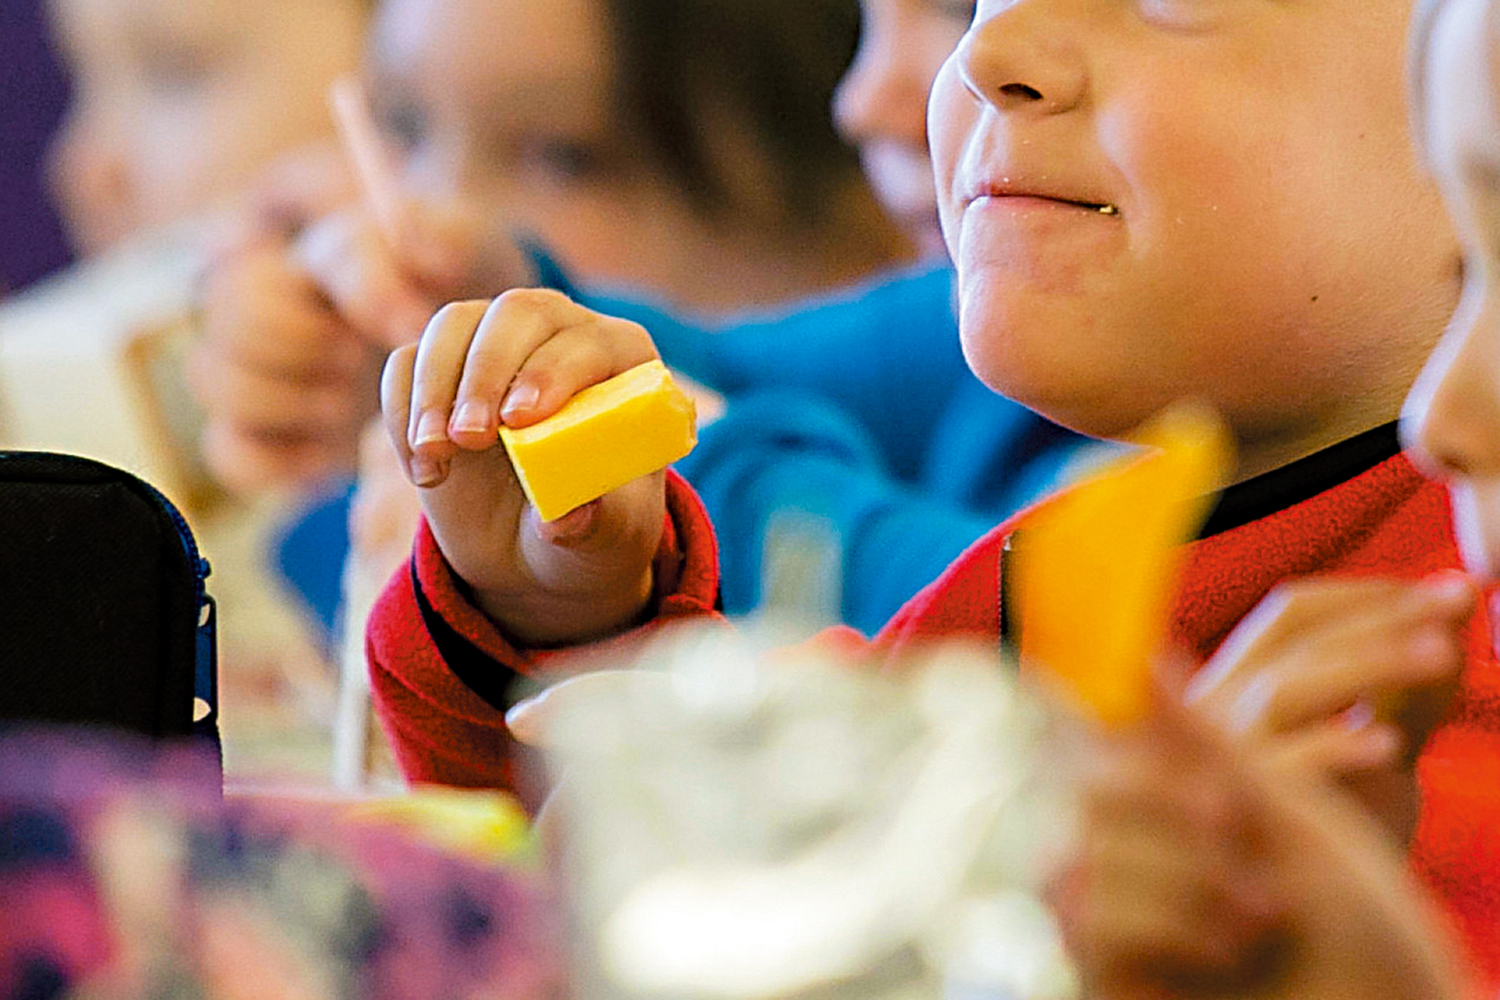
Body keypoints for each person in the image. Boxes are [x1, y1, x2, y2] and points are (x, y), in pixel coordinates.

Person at [365, 0, 1500, 983]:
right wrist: (573, 615)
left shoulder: (1446, 657)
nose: (991, 47)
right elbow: (573, 939)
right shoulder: (1045, 576)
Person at [193, 0, 1081, 637]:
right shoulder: (962, 330)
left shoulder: (1180, 520)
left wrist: (602, 441)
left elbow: (985, 620)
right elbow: (737, 373)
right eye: (405, 126)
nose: (862, 101)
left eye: (563, 156)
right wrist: (483, 311)